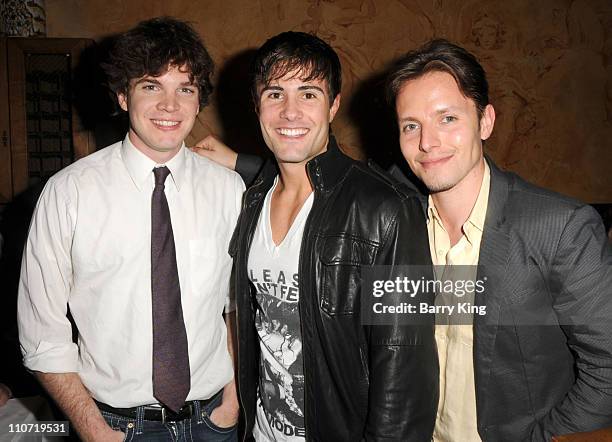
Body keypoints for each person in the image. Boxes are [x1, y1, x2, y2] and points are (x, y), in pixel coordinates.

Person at [200, 31, 438, 441]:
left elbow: (407, 369)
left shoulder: (387, 209)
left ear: (333, 105)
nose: (290, 112)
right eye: (275, 94)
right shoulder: (252, 199)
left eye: (308, 94)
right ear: (257, 105)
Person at [17, 17, 243, 441]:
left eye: (186, 89)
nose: (170, 106)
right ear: (123, 95)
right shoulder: (69, 193)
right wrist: (91, 427)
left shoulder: (229, 190)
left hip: (215, 423)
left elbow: (238, 305)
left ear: (198, 102)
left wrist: (231, 402)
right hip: (115, 427)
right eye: (152, 86)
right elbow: (41, 331)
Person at [385, 39, 612, 441]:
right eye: (411, 125)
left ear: (485, 121)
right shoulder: (397, 217)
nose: (427, 142)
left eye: (448, 118)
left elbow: (608, 370)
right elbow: (327, 182)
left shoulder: (561, 228)